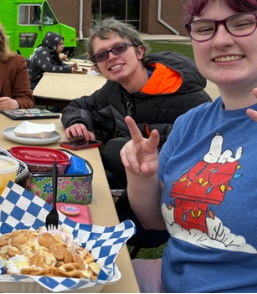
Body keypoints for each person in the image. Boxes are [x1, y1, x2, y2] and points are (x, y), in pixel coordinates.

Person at [121, 0, 257, 293]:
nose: (220, 41)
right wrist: (142, 177)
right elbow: (157, 222)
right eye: (205, 28)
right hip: (171, 281)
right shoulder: (192, 123)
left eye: (241, 23)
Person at [61, 18, 211, 190]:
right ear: (97, 67)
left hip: (176, 191)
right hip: (134, 179)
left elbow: (205, 166)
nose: (111, 57)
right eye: (102, 55)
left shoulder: (189, 100)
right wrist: (77, 122)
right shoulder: (114, 90)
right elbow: (79, 106)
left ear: (139, 52)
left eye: (119, 48)